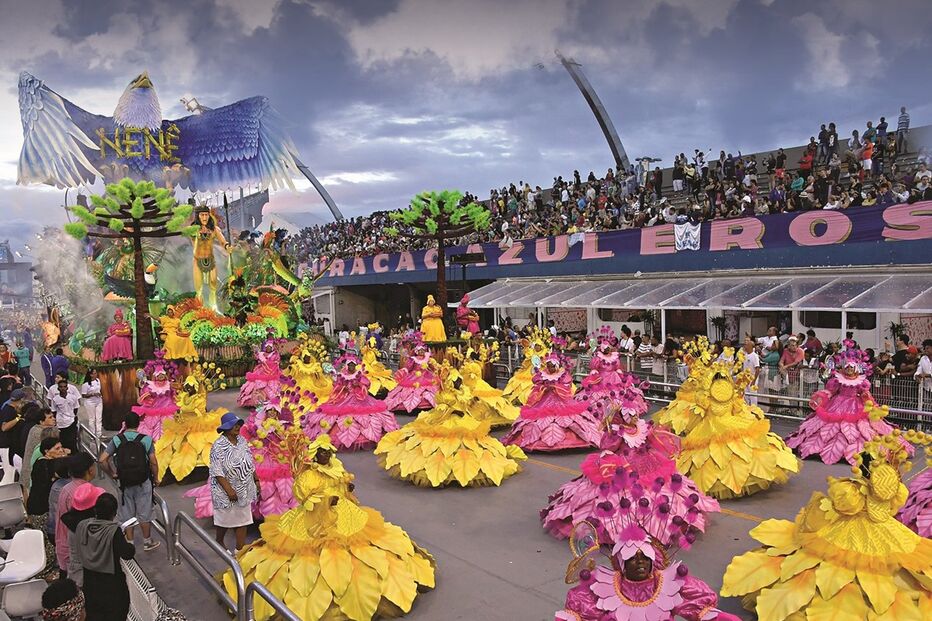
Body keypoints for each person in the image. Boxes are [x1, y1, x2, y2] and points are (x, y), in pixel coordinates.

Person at [722, 431, 931, 620]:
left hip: (849, 531)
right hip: (888, 531)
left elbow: (844, 506)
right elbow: (891, 506)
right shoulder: (894, 489)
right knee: (895, 571)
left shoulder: (852, 490)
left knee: (828, 566)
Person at [98, 412, 160, 551]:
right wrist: (156, 478)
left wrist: (112, 473)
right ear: (138, 424)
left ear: (125, 424)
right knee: (145, 512)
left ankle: (129, 543)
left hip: (124, 482)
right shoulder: (146, 440)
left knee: (126, 513)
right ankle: (147, 541)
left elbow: (102, 460)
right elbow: (153, 462)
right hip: (143, 481)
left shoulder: (117, 440)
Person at [74, 492, 135, 621]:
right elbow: (127, 553)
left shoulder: (82, 526)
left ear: (95, 509)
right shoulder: (113, 531)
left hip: (90, 582)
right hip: (112, 584)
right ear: (114, 513)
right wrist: (129, 540)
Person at [209, 412, 258, 552]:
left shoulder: (242, 441)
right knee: (225, 521)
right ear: (225, 428)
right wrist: (229, 490)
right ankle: (219, 540)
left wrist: (256, 479)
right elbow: (216, 470)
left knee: (244, 520)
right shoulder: (218, 446)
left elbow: (250, 462)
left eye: (238, 425)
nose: (237, 427)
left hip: (244, 489)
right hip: (225, 491)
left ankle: (239, 551)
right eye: (234, 425)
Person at [55, 453, 98, 573]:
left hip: (63, 546)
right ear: (90, 470)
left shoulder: (66, 488)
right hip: (77, 553)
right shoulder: (84, 493)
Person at [26, 437, 67, 524]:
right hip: (40, 509)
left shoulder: (49, 462)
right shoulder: (44, 465)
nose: (61, 451)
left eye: (61, 447)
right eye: (57, 448)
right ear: (46, 451)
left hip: (46, 506)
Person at [50, 379, 80, 453]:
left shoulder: (73, 397)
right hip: (61, 424)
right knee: (63, 442)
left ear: (67, 388)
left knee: (72, 441)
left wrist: (72, 416)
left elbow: (76, 408)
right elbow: (54, 411)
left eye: (64, 387)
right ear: (58, 388)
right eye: (61, 387)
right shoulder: (55, 399)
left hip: (71, 422)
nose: (63, 388)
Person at [0, 387, 26, 458]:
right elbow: (4, 427)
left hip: (12, 444)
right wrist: (17, 419)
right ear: (21, 399)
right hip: (6, 445)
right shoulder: (8, 410)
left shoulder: (15, 409)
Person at [80, 369, 103, 441]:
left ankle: (99, 434)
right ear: (91, 375)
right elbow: (83, 395)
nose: (96, 374)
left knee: (99, 418)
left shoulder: (98, 381)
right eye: (94, 373)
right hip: (90, 402)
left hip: (98, 401)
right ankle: (92, 434)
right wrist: (93, 394)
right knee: (92, 419)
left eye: (96, 373)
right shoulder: (86, 384)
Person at [741, 336, 761, 405]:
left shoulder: (754, 356)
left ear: (751, 346)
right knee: (746, 395)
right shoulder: (745, 355)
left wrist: (754, 380)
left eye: (746, 345)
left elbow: (757, 369)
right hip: (745, 379)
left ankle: (754, 410)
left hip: (752, 379)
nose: (745, 346)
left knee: (753, 396)